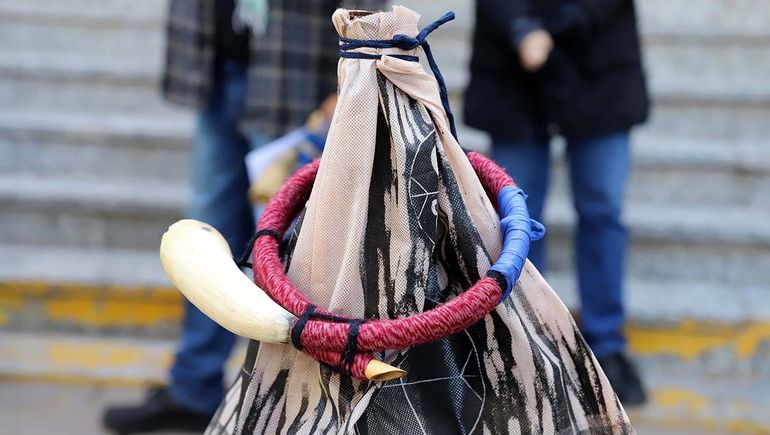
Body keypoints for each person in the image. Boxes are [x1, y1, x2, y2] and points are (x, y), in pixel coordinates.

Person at [103, 0, 381, 433]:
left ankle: (301, 402)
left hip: (295, 81)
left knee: (293, 252)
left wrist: (351, 73)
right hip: (218, 66)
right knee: (204, 242)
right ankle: (194, 388)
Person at [464, 0, 650, 405]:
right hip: (513, 72)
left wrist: (560, 24)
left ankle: (606, 347)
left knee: (602, 210)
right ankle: (525, 341)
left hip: (599, 65)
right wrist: (520, 28)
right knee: (517, 217)